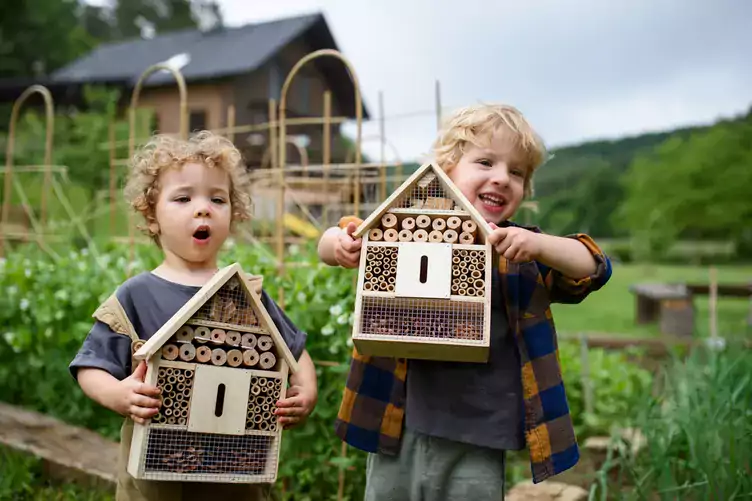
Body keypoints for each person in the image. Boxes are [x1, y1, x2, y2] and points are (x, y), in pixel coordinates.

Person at [317, 104, 612, 500]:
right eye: (486, 162)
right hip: (399, 421)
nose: (501, 178)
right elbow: (337, 236)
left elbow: (595, 266)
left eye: (517, 172)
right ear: (448, 167)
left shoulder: (517, 250)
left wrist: (538, 244)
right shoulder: (411, 227)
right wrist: (340, 246)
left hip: (479, 433)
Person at [69, 131, 318, 501]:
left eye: (217, 199)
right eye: (183, 198)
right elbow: (91, 366)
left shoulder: (243, 293)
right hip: (156, 479)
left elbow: (294, 352)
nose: (202, 208)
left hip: (236, 468)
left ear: (233, 215)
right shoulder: (137, 294)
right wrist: (118, 394)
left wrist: (306, 390)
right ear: (151, 216)